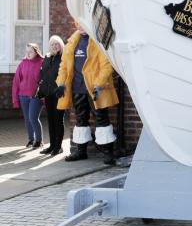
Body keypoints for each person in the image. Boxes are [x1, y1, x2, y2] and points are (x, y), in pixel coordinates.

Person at [55, 24, 119, 165]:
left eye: (83, 24)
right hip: (78, 88)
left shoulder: (98, 41)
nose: (81, 27)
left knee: (102, 119)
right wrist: (60, 83)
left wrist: (98, 84)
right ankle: (81, 151)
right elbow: (64, 67)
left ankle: (108, 153)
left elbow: (107, 65)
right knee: (80, 119)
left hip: (95, 89)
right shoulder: (72, 42)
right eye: (78, 24)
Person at [36, 36, 66, 156]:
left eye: (57, 44)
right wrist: (41, 89)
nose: (54, 46)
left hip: (58, 94)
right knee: (50, 120)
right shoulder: (47, 58)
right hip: (48, 94)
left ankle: (58, 147)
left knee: (58, 120)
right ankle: (52, 145)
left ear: (61, 46)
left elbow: (66, 74)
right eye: (52, 44)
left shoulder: (63, 58)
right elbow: (42, 75)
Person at [11, 43, 44, 148]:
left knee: (33, 117)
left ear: (36, 51)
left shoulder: (42, 63)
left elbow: (45, 80)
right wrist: (15, 100)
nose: (28, 54)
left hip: (36, 96)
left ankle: (39, 140)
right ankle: (31, 139)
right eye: (27, 51)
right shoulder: (22, 64)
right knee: (27, 119)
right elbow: (16, 82)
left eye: (30, 51)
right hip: (23, 96)